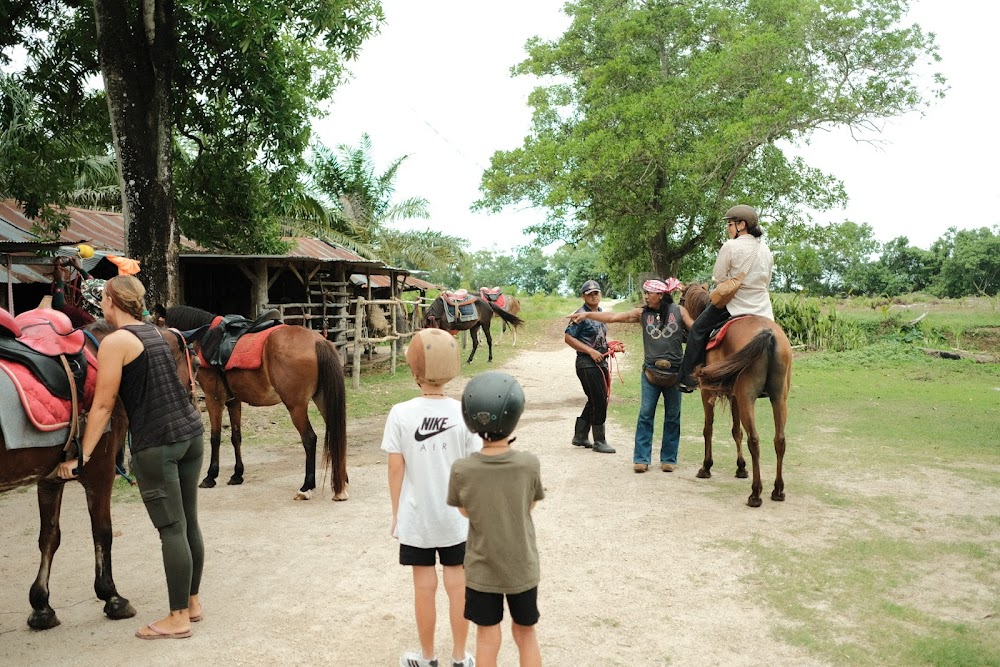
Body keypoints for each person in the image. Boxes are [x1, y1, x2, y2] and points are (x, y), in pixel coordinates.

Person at [57, 275, 205, 640]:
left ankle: (178, 617)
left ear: (110, 301)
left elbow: (104, 404)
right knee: (188, 522)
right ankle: (193, 601)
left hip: (157, 444)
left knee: (171, 529)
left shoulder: (116, 342)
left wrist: (83, 456)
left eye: (103, 298)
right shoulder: (158, 332)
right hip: (191, 434)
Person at [382, 327, 482, 667]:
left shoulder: (400, 413)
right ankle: (459, 658)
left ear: (413, 368)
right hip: (458, 518)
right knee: (458, 585)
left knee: (423, 588)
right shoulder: (464, 412)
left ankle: (426, 658)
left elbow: (396, 470)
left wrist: (397, 515)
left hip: (417, 517)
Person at [448, 372, 544, 667]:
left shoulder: (463, 469)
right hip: (521, 566)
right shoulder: (528, 464)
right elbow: (530, 505)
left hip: (482, 569)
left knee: (487, 637)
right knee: (525, 633)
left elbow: (465, 511)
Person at [568, 278, 689, 473]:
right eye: (646, 293)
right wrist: (587, 315)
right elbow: (614, 317)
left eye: (649, 293)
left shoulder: (679, 311)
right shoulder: (642, 314)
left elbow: (696, 329)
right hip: (650, 372)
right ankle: (641, 459)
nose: (646, 297)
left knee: (673, 416)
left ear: (661, 295)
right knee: (645, 415)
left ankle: (669, 459)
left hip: (675, 372)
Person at [677, 204, 775, 392]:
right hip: (763, 307)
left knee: (697, 329)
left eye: (730, 224)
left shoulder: (730, 246)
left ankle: (688, 379)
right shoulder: (765, 249)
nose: (728, 228)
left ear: (742, 225)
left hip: (734, 304)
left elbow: (719, 279)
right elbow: (767, 280)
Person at [563, 279, 615, 454]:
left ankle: (580, 436)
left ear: (600, 294)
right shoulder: (580, 314)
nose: (594, 296)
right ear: (583, 296)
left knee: (595, 399)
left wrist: (611, 346)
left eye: (596, 293)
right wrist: (590, 351)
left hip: (600, 362)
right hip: (586, 364)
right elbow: (568, 338)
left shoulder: (599, 313)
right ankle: (599, 441)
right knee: (599, 400)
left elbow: (599, 338)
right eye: (589, 294)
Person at [50, 256, 96, 327]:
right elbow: (94, 285)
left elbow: (59, 305)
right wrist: (80, 269)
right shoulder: (109, 307)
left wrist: (59, 281)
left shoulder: (85, 316)